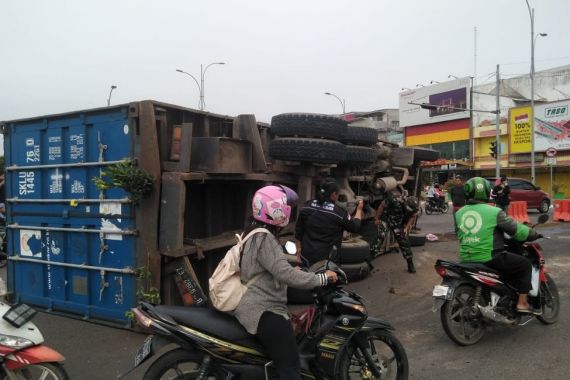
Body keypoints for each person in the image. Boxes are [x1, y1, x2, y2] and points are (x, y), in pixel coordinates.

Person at [235, 185, 338, 379]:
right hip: (263, 310)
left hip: (254, 304)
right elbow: (286, 275)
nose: (289, 210)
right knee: (291, 367)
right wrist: (322, 278)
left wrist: (293, 270)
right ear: (275, 209)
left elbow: (273, 268)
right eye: (286, 205)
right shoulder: (264, 239)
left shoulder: (255, 233)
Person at [456, 177, 541, 314]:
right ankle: (522, 303)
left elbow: (459, 233)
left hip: (466, 258)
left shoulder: (459, 213)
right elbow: (516, 230)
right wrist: (532, 233)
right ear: (485, 191)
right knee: (524, 264)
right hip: (490, 257)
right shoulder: (494, 212)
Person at [295, 177, 363, 266]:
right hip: (327, 263)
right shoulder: (339, 213)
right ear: (334, 194)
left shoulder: (307, 206)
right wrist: (359, 210)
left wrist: (298, 250)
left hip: (306, 258)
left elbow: (298, 231)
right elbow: (355, 226)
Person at [372, 189, 418, 273]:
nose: (408, 210)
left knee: (404, 242)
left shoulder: (413, 207)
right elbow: (382, 205)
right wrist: (376, 218)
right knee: (379, 238)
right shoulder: (394, 199)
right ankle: (368, 261)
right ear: (405, 202)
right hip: (386, 220)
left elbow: (413, 216)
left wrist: (406, 227)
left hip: (398, 224)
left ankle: (410, 264)